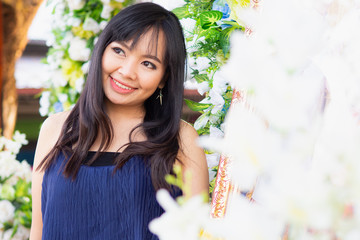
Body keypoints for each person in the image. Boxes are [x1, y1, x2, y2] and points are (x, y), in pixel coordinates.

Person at [30, 3, 209, 240]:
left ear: (164, 77)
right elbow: (38, 232)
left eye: (148, 63)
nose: (127, 71)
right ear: (102, 50)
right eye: (119, 51)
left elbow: (198, 234)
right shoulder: (55, 129)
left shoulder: (181, 140)